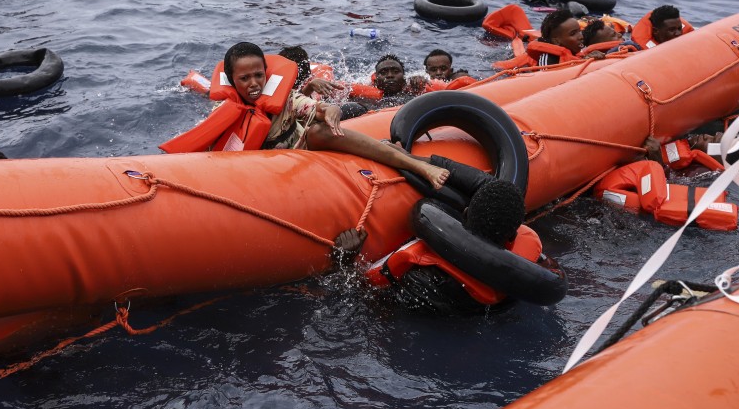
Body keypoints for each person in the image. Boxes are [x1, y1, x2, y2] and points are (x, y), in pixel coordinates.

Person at [160, 42, 450, 189]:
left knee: (319, 130)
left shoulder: (284, 96)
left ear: (267, 73)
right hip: (256, 167)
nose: (253, 84)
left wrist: (331, 109)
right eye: (244, 78)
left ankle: (417, 166)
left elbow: (312, 106)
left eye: (258, 75)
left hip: (299, 151)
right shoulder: (222, 111)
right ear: (231, 80)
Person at [334, 163, 537, 314]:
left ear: (464, 215)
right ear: (512, 234)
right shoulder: (526, 269)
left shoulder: (418, 271)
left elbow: (359, 291)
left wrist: (345, 259)